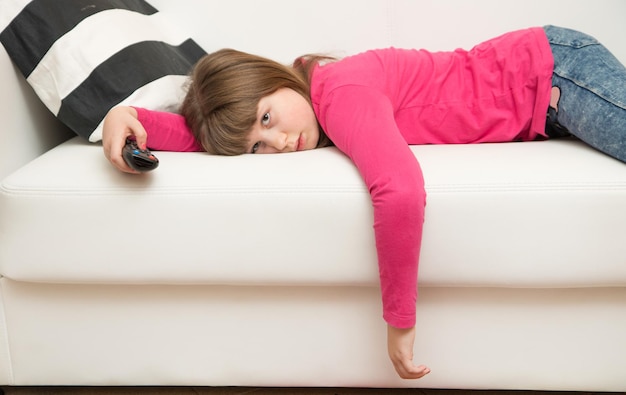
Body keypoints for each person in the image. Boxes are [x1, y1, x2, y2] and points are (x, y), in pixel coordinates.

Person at [102, 25, 626, 379]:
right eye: (258, 148)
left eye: (267, 120)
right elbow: (222, 133)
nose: (279, 142)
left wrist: (400, 320)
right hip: (545, 90)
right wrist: (133, 120)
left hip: (554, 73)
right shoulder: (309, 101)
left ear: (277, 78)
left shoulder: (340, 93)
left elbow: (400, 189)